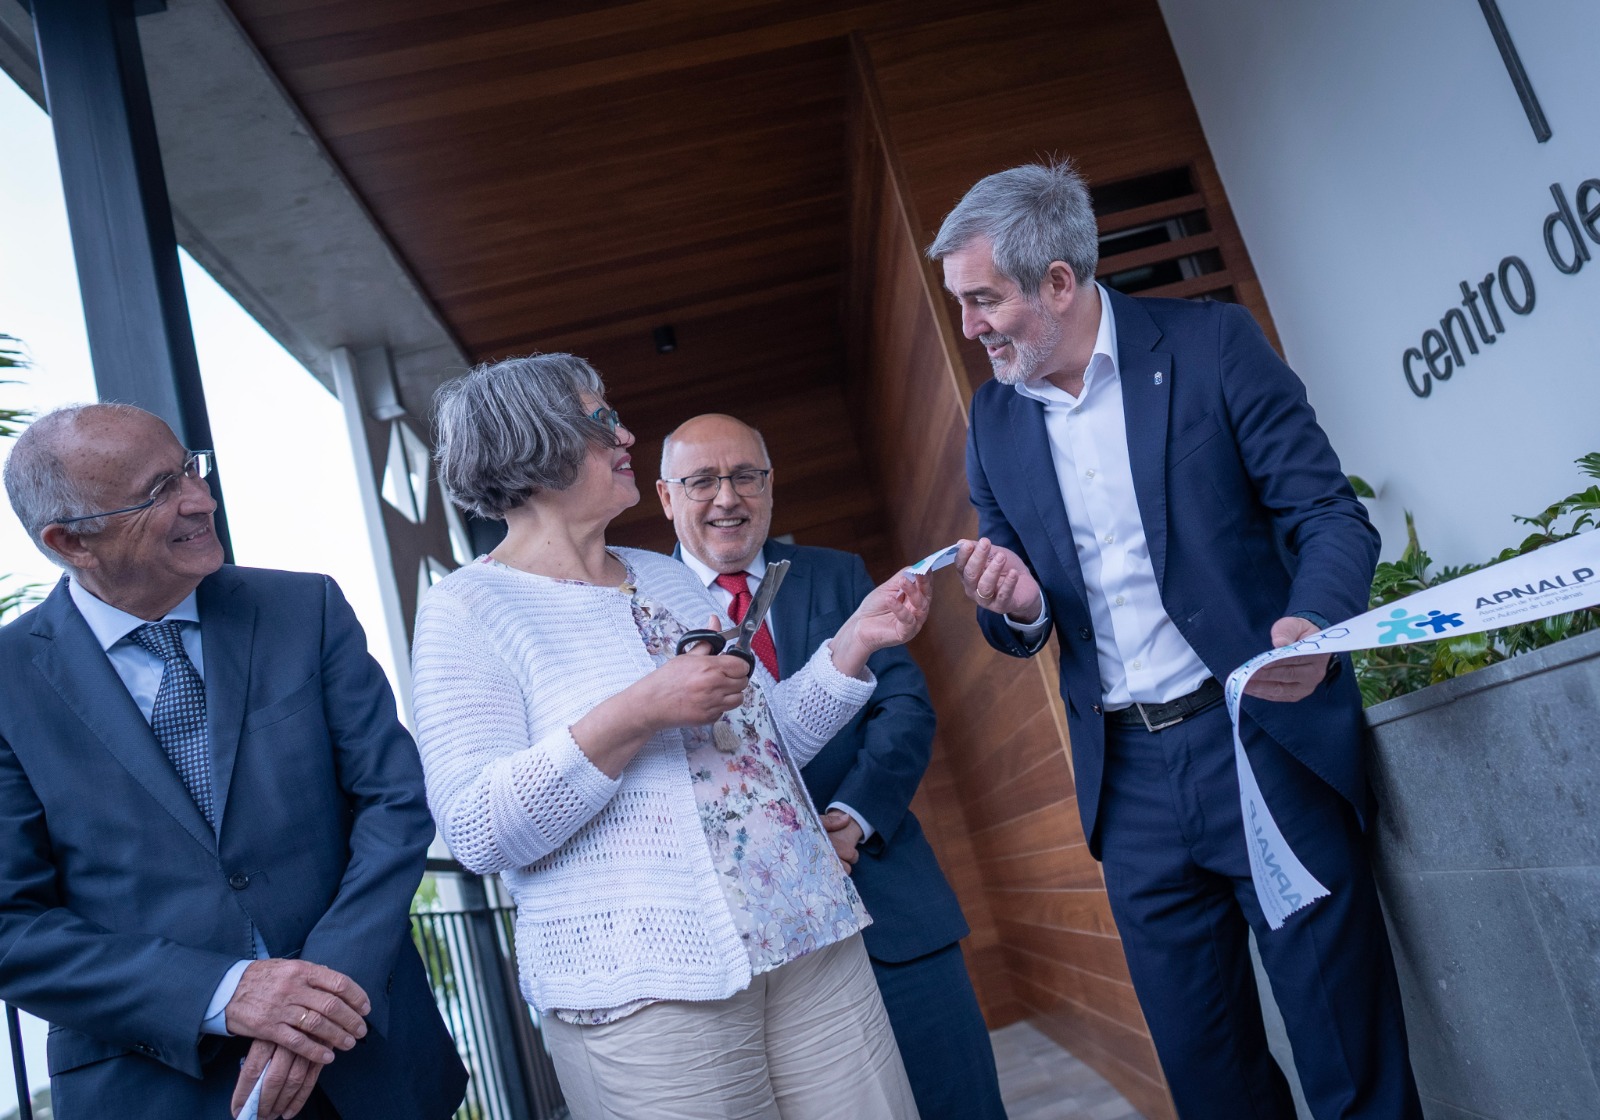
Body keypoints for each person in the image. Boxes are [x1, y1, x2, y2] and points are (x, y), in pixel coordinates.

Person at [927, 162, 1421, 1119]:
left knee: (1349, 1063)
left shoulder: (1212, 345)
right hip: (1131, 790)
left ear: (1058, 282)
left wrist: (1311, 626)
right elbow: (1014, 604)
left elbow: (1329, 515)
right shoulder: (992, 420)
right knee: (1210, 1085)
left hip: (1260, 745)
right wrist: (1018, 606)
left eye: (984, 299)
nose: (971, 324)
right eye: (959, 302)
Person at [410, 354, 931, 1120]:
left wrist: (855, 641)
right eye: (600, 420)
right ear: (533, 441)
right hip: (653, 987)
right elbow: (477, 829)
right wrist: (639, 710)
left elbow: (764, 750)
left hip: (809, 933)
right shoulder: (470, 608)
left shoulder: (664, 575)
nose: (626, 435)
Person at [0, 404, 466, 1120]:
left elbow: (394, 802)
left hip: (368, 1058)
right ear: (70, 541)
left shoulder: (305, 608)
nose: (200, 499)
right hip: (154, 1089)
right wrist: (223, 994)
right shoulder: (8, 682)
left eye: (190, 469)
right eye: (159, 491)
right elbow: (11, 926)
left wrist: (317, 997)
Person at [657, 412, 1007, 1120]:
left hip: (886, 898)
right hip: (763, 951)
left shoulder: (838, 573)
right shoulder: (644, 606)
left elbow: (903, 709)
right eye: (701, 481)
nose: (727, 497)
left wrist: (848, 821)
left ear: (770, 485)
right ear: (666, 497)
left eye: (745, 476)